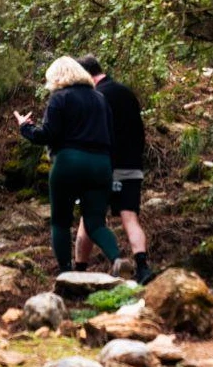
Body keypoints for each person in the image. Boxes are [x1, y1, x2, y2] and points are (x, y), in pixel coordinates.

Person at [14, 56, 125, 275]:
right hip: (101, 164)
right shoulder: (100, 98)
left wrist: (26, 127)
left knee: (61, 221)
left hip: (69, 162)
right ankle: (118, 259)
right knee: (95, 223)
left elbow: (47, 135)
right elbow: (111, 136)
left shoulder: (59, 98)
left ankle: (66, 272)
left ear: (56, 77)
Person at [72, 55, 155, 283]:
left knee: (88, 221)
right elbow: (139, 131)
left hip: (101, 168)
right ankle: (143, 268)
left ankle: (78, 271)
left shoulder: (95, 96)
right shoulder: (125, 92)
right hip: (131, 165)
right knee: (130, 217)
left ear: (85, 75)